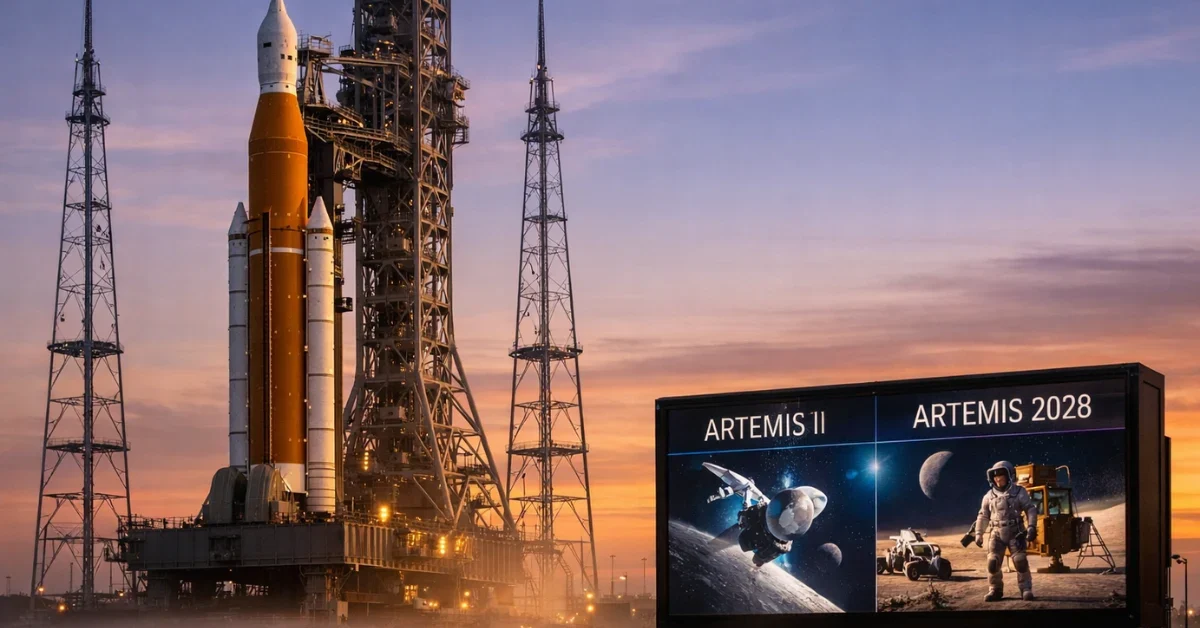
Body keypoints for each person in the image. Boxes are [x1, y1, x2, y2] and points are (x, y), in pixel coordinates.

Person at [975, 460, 1038, 602]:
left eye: (1001, 475)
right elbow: (983, 515)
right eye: (995, 476)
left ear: (1009, 475)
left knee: (1020, 562)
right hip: (996, 533)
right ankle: (995, 589)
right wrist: (979, 533)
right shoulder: (989, 496)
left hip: (1016, 531)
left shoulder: (1019, 492)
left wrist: (1031, 526)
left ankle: (1026, 588)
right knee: (992, 563)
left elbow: (1030, 509)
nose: (998, 479)